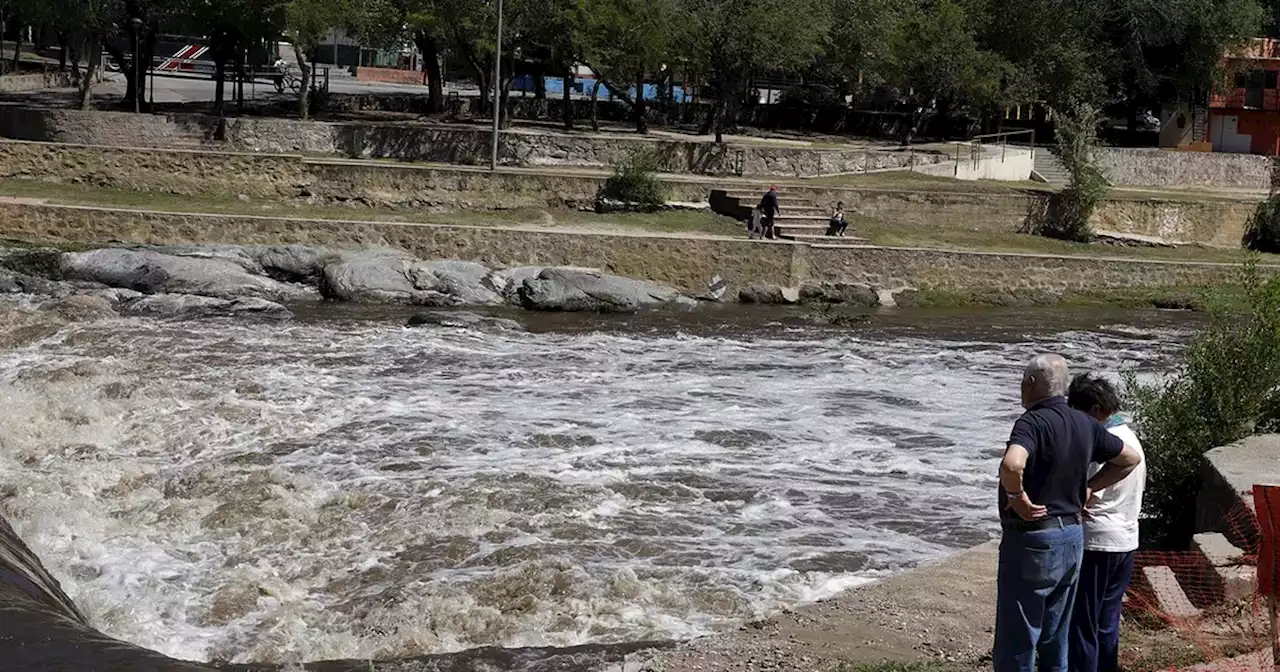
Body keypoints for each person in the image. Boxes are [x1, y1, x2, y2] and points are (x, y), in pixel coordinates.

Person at [996, 354, 1142, 672]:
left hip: (1034, 541)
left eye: (1023, 380)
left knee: (1018, 639)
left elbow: (1013, 464)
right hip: (1073, 538)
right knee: (1056, 637)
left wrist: (1016, 496)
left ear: (1032, 383)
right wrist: (1091, 487)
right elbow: (1130, 459)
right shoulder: (1086, 422)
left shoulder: (1031, 422)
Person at [1067, 374, 1146, 672]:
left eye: (1078, 412)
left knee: (1083, 624)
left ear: (1097, 410)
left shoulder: (1105, 445)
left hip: (1098, 542)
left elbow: (1085, 493)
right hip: (1125, 539)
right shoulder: (1129, 437)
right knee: (1107, 621)